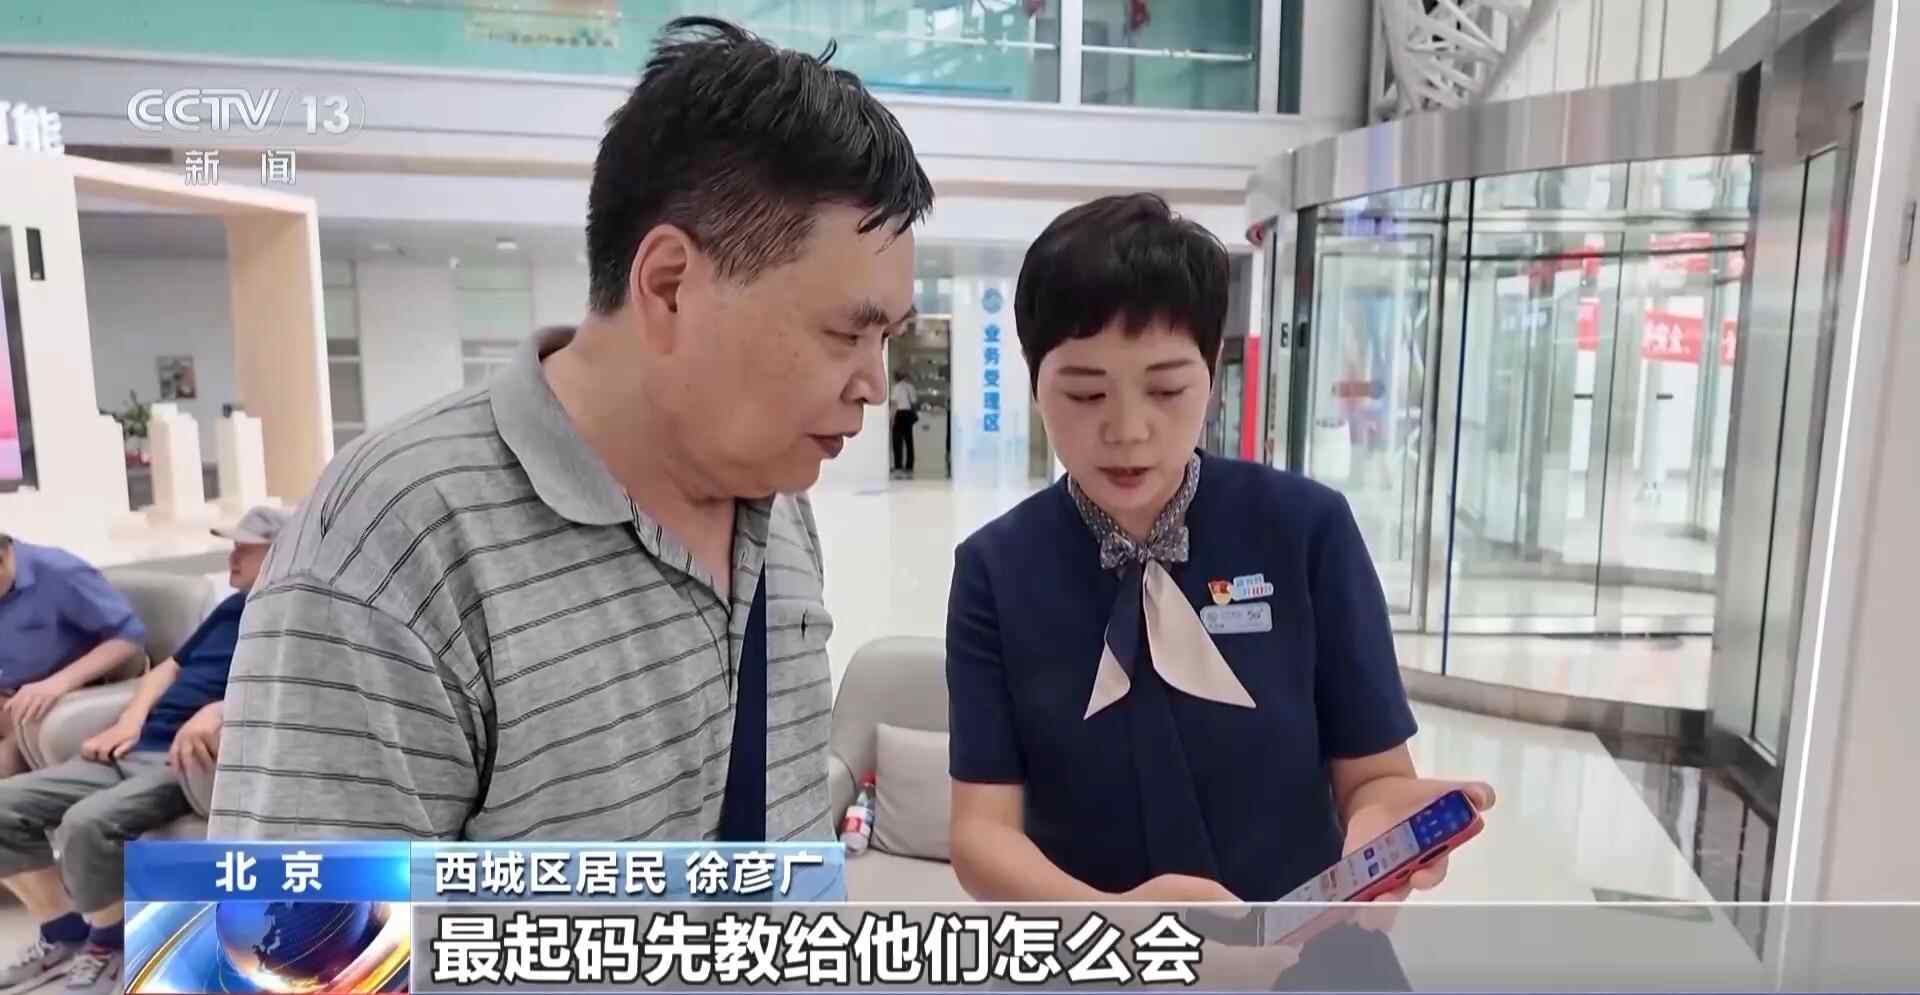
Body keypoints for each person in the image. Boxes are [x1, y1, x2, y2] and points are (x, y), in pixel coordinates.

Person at [208, 17, 932, 843]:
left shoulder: (779, 502)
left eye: (887, 338)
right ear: (669, 285)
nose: (875, 384)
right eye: (846, 332)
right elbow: (297, 923)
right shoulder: (397, 543)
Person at [946, 194, 1494, 925]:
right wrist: (1117, 926)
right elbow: (981, 832)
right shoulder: (994, 570)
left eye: (1167, 389)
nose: (1128, 429)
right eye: (1084, 392)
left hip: (1309, 947)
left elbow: (1372, 774)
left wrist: (1381, 819)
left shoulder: (1307, 530)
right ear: (1034, 380)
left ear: (1212, 371)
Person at [0, 506, 287, 995]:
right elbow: (168, 668)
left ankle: (107, 947)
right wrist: (129, 721)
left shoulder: (293, 616)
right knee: (5, 806)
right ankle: (62, 933)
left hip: (191, 761)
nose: (232, 557)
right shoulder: (232, 608)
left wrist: (221, 710)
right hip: (139, 745)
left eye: (245, 548)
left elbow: (292, 689)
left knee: (86, 824)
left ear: (280, 554)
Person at [0, 534, 145, 779]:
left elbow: (129, 637)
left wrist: (59, 683)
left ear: (2, 559)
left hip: (63, 696)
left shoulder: (60, 571)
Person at [890, 368, 919, 476]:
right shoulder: (910, 387)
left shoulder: (896, 387)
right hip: (908, 414)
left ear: (896, 377)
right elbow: (914, 402)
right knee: (909, 441)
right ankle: (909, 466)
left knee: (897, 441)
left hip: (899, 414)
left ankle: (898, 466)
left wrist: (891, 419)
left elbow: (894, 404)